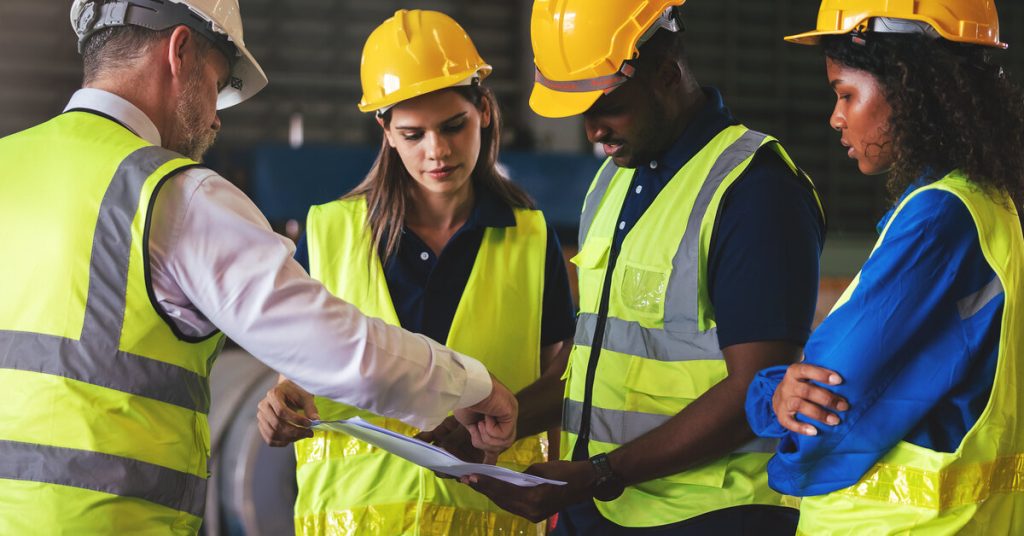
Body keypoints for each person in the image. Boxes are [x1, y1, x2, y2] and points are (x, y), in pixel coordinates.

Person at [0, 1, 520, 533]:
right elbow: (342, 352)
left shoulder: (7, 166)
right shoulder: (172, 196)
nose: (216, 116)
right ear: (180, 52)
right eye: (218, 82)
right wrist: (472, 386)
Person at [465, 1, 828, 534]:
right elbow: (595, 362)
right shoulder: (611, 182)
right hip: (602, 508)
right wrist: (508, 412)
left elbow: (759, 389)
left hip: (711, 515)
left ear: (666, 73)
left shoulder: (757, 191)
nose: (592, 131)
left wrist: (600, 474)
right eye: (581, 112)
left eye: (606, 105)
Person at [254, 9, 577, 535]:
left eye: (454, 126)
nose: (438, 151)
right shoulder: (330, 233)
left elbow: (557, 384)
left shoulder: (530, 238)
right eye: (413, 134)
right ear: (385, 131)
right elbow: (297, 378)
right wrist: (281, 404)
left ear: (485, 111)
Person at [744, 0, 1024, 533]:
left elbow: (826, 400)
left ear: (905, 85)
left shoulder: (940, 217)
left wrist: (768, 395)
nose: (836, 117)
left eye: (846, 94)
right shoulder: (991, 205)